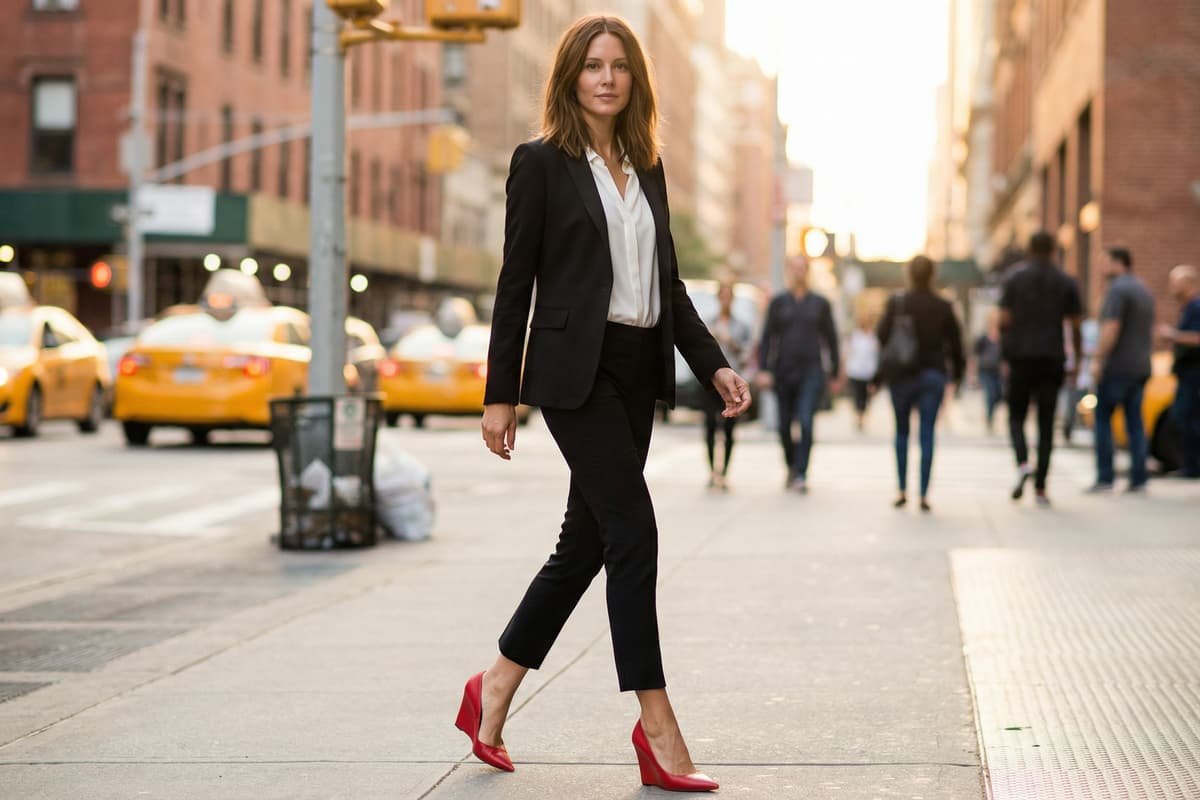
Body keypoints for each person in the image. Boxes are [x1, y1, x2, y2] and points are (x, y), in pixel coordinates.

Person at [465, 15, 750, 793]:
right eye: (592, 65)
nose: (607, 77)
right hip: (573, 371)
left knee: (584, 544)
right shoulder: (541, 164)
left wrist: (713, 363)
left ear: (635, 81)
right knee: (635, 531)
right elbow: (513, 284)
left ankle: (492, 688)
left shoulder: (647, 166)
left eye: (620, 66)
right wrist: (502, 394)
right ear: (570, 77)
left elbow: (669, 285)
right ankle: (656, 723)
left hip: (636, 366)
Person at [999, 230, 1084, 506]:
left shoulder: (1014, 277)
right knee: (1047, 423)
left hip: (1020, 358)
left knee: (1016, 417)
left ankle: (1023, 462)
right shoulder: (1065, 281)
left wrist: (1005, 356)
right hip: (1051, 357)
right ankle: (1041, 487)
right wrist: (1078, 358)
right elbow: (1075, 324)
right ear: (1053, 251)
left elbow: (1004, 320)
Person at [876, 255, 965, 512]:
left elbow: (882, 336)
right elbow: (956, 345)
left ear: (909, 274)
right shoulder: (943, 305)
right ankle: (924, 494)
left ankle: (902, 489)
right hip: (933, 375)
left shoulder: (897, 302)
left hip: (901, 375)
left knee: (901, 432)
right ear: (932, 275)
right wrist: (956, 376)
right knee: (927, 433)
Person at [756, 255, 842, 492]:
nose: (799, 273)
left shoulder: (819, 303)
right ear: (788, 272)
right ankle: (791, 466)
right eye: (794, 269)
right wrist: (764, 369)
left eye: (802, 268)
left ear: (808, 271)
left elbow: (831, 339)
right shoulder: (779, 302)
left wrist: (834, 372)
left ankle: (802, 473)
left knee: (805, 420)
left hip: (811, 371)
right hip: (783, 371)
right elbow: (767, 338)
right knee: (784, 426)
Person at [1087, 248, 1155, 493]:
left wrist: (1097, 359)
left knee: (1103, 421)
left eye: (1104, 262)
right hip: (1140, 366)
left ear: (1118, 263)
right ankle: (1139, 478)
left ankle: (1105, 477)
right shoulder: (1142, 289)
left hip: (1117, 367)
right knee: (1135, 423)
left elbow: (1111, 329)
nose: (1100, 268)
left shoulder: (1117, 290)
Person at [701, 279, 754, 490]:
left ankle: (724, 472)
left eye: (728, 296)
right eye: (721, 296)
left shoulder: (741, 326)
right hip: (711, 383)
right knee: (710, 426)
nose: (725, 300)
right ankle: (713, 470)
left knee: (730, 428)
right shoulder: (708, 322)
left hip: (732, 382)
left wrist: (730, 340)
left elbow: (747, 354)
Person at [1158, 264, 1200, 478]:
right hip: (1187, 373)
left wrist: (1173, 335)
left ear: (1188, 283)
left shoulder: (1196, 307)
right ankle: (1190, 466)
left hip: (1194, 374)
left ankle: (1193, 467)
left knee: (1188, 418)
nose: (1171, 287)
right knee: (1184, 418)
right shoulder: (1188, 308)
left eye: (1175, 282)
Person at [844, 313, 879, 432]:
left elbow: (876, 355)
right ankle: (859, 418)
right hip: (855, 371)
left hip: (868, 372)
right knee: (857, 396)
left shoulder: (873, 337)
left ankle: (862, 417)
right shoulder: (855, 336)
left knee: (866, 398)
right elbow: (848, 353)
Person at [973, 312, 1003, 433]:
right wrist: (973, 373)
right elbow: (975, 355)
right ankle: (989, 419)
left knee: (998, 394)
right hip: (985, 370)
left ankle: (990, 415)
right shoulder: (983, 338)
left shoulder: (1002, 337)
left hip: (998, 370)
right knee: (990, 393)